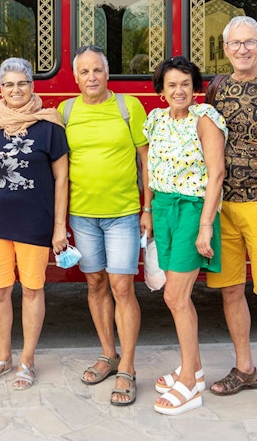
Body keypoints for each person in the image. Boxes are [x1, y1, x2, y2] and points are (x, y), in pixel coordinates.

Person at [57, 45, 150, 406]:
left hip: (124, 213)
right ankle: (108, 354)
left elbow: (146, 161)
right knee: (95, 283)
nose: (91, 78)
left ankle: (127, 366)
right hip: (83, 215)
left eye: (97, 70)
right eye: (85, 72)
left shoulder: (128, 107)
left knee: (122, 286)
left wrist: (148, 209)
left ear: (107, 74)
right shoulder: (66, 111)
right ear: (76, 77)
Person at [0, 57, 68, 390]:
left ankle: (27, 359)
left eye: (21, 83)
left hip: (34, 223)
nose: (15, 90)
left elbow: (61, 179)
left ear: (32, 86)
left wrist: (58, 227)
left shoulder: (50, 126)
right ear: (1, 88)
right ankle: (3, 356)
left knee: (31, 289)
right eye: (8, 84)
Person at [143, 56, 227, 415]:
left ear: (196, 87)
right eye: (171, 84)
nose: (179, 90)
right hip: (162, 209)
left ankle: (190, 384)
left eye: (186, 84)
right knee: (176, 296)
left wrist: (206, 225)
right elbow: (148, 166)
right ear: (161, 91)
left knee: (176, 296)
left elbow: (217, 173)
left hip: (192, 210)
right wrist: (147, 209)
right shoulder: (155, 120)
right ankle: (193, 367)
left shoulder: (205, 118)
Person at [205, 15, 257, 396]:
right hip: (224, 205)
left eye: (250, 42)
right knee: (231, 290)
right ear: (225, 49)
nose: (243, 49)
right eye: (236, 43)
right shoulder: (217, 89)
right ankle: (245, 368)